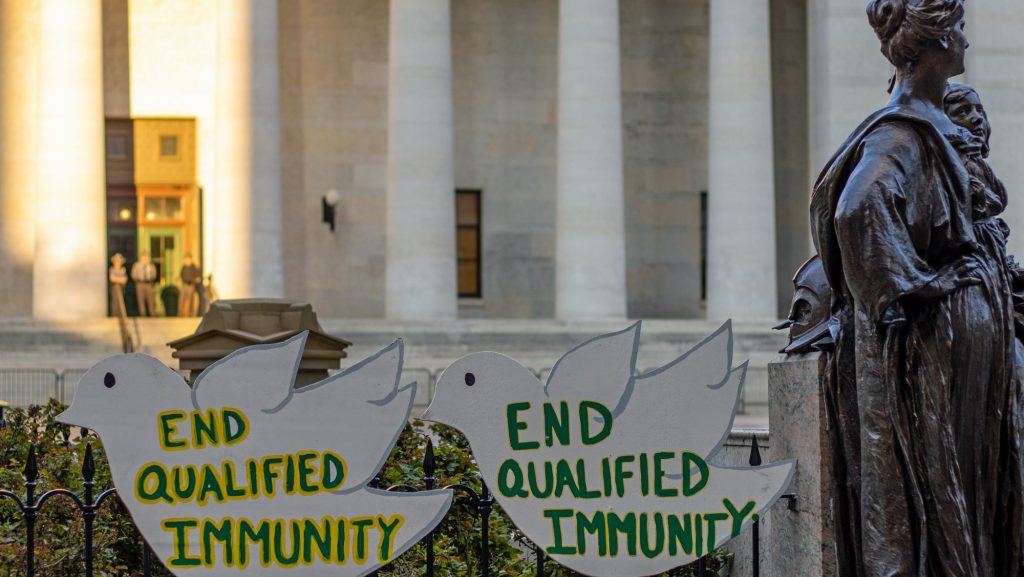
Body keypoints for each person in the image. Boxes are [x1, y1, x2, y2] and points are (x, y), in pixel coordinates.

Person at [809, 0, 1024, 574]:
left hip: (959, 359)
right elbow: (856, 210)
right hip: (927, 361)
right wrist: (917, 285)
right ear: (935, 44)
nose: (966, 43)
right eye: (958, 31)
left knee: (968, 508)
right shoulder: (901, 133)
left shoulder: (932, 123)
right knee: (936, 510)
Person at [131, 251, 158, 317]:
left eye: (146, 257)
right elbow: (133, 275)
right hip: (140, 283)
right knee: (141, 300)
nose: (145, 258)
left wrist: (150, 279)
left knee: (151, 299)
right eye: (143, 257)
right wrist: (138, 279)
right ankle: (143, 314)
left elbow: (154, 275)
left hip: (149, 284)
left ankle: (152, 314)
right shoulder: (137, 265)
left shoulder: (151, 266)